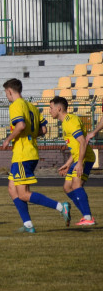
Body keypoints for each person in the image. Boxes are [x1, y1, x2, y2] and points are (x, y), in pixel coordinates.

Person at [1, 79, 69, 233]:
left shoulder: (16, 105)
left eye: (6, 93)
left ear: (10, 91)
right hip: (29, 152)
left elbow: (21, 125)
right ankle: (28, 225)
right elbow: (43, 130)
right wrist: (30, 135)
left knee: (23, 194)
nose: (7, 96)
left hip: (23, 154)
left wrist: (8, 139)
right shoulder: (31, 106)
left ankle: (60, 207)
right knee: (12, 189)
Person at [48, 96, 95, 226]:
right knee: (67, 187)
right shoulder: (65, 123)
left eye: (51, 108)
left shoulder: (70, 121)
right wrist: (68, 164)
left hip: (85, 157)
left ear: (59, 108)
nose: (49, 111)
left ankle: (88, 217)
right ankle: (86, 216)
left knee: (76, 184)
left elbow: (82, 142)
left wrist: (80, 162)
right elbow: (75, 147)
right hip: (77, 157)